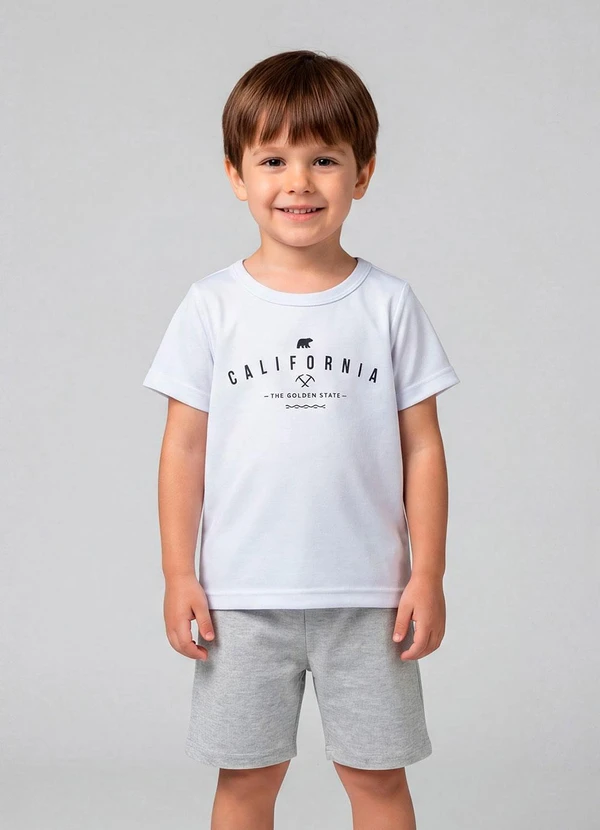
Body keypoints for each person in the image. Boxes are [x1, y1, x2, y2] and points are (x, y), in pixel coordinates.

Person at [142, 49, 460, 830]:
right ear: (235, 174)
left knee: (378, 782)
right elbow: (183, 450)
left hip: (372, 599)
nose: (299, 182)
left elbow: (423, 448)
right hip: (241, 600)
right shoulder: (211, 307)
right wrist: (179, 574)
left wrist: (428, 573)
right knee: (247, 782)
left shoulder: (388, 304)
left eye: (324, 159)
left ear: (363, 173)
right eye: (273, 160)